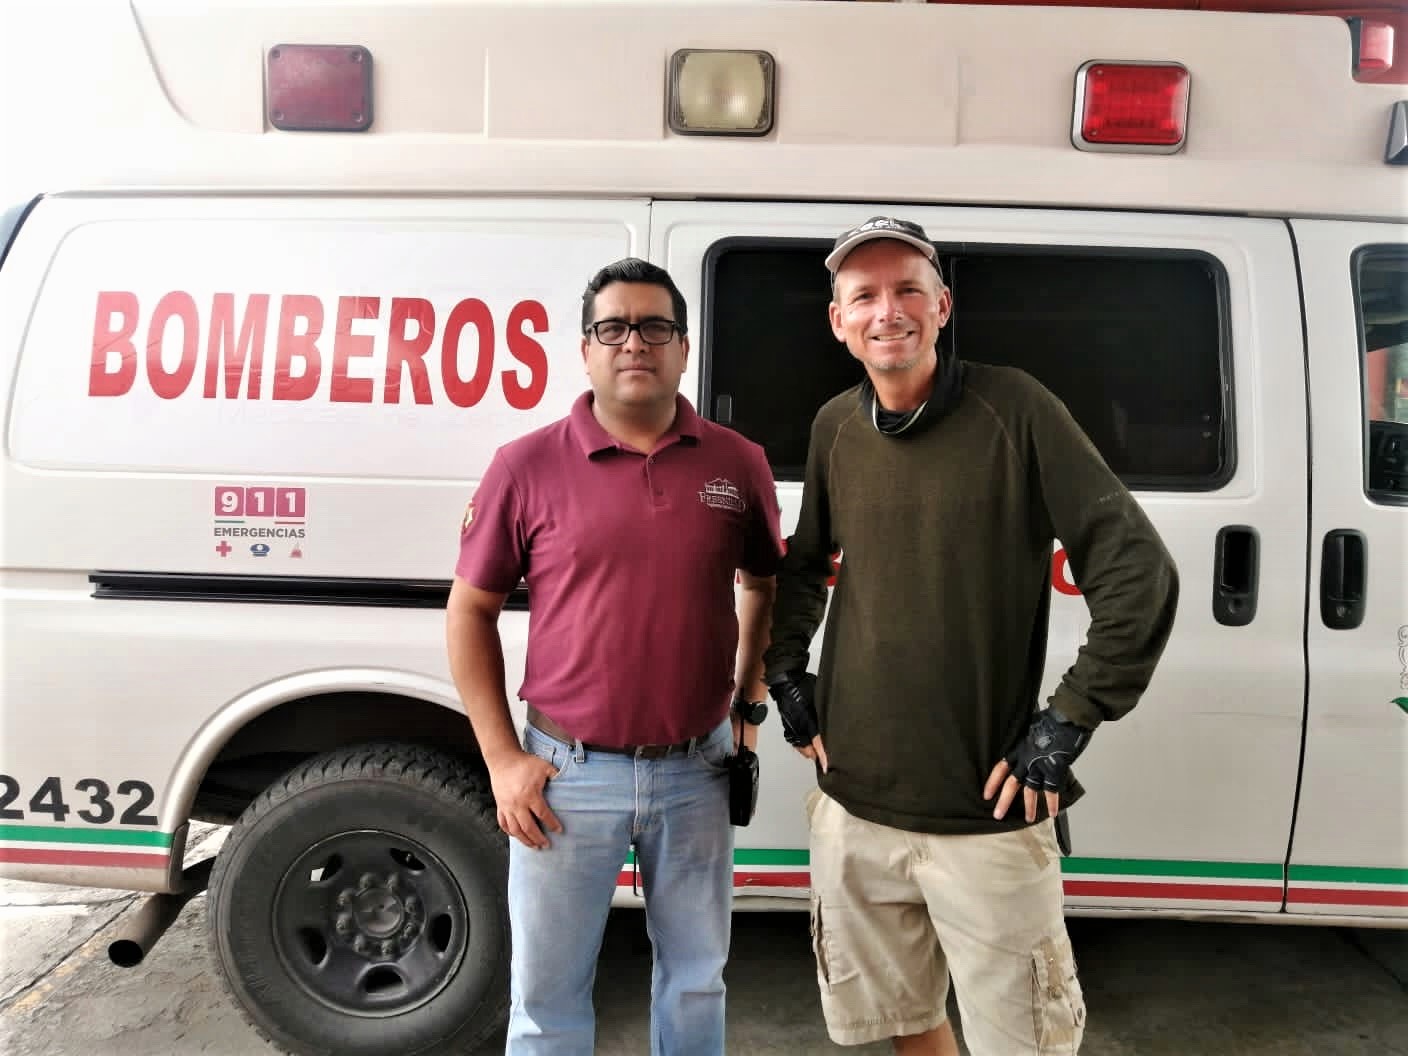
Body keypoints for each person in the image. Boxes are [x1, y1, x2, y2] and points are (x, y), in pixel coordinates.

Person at [763, 217, 1179, 1055]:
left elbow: (1138, 571)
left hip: (987, 816)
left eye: (909, 289)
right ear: (839, 322)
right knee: (910, 1028)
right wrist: (785, 672)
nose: (890, 311)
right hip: (856, 808)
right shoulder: (835, 426)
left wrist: (1064, 723)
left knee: (1023, 1044)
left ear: (943, 306)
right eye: (865, 296)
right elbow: (805, 566)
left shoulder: (1015, 409)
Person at [446, 257, 781, 1056]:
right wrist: (501, 759)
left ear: (685, 347)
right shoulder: (524, 466)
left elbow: (764, 589)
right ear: (586, 349)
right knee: (548, 996)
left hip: (696, 772)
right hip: (564, 778)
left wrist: (748, 707)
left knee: (697, 980)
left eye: (656, 326)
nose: (636, 342)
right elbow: (470, 612)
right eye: (614, 327)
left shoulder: (738, 465)